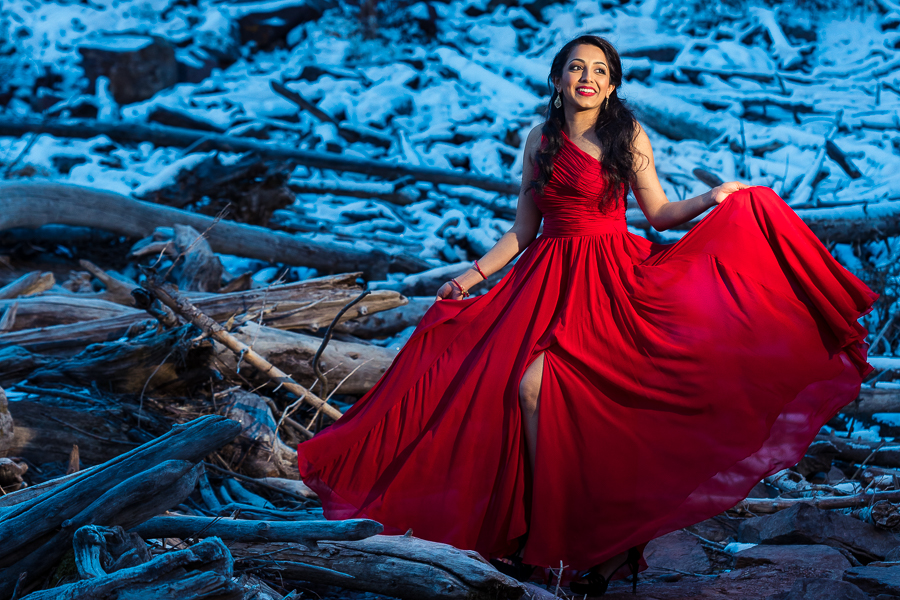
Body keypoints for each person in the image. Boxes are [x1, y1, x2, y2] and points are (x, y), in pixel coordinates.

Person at [297, 34, 877, 597]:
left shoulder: (627, 134)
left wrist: (713, 199)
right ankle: (544, 534)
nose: (588, 79)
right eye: (577, 68)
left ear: (613, 84)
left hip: (611, 279)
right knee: (505, 388)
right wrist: (468, 278)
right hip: (545, 278)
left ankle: (588, 540)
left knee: (552, 391)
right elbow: (524, 230)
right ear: (557, 78)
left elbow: (659, 214)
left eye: (600, 71)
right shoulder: (539, 140)